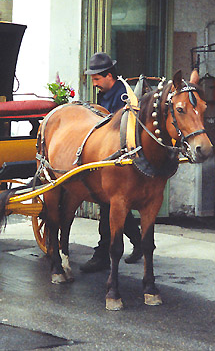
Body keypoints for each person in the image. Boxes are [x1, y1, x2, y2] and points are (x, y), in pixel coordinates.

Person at [80, 52, 143, 273]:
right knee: (116, 206)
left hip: (122, 160)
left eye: (97, 79)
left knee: (110, 205)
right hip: (105, 155)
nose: (94, 84)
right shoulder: (104, 95)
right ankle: (140, 242)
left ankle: (102, 254)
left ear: (108, 76)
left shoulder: (125, 95)